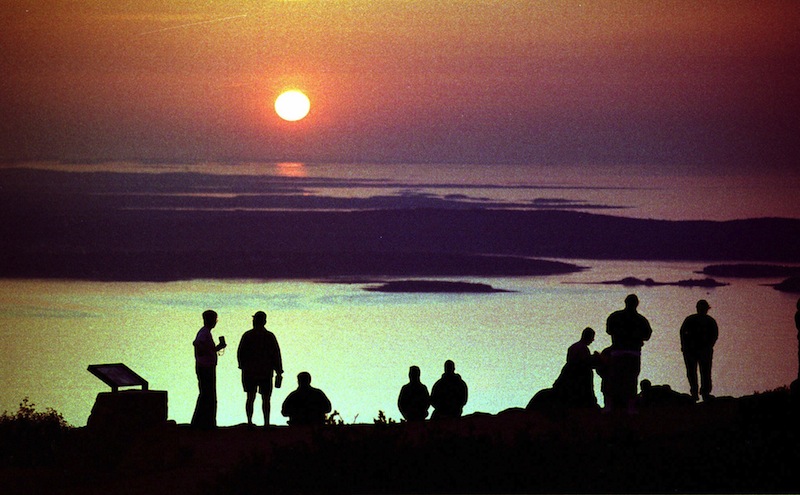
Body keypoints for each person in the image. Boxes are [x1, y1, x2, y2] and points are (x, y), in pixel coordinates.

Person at [605, 294, 652, 412]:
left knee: (614, 379)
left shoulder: (614, 316)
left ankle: (610, 406)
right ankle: (630, 406)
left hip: (617, 352)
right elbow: (647, 336)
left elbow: (609, 331)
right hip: (633, 353)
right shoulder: (641, 320)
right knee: (631, 380)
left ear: (625, 302)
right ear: (637, 304)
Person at [237, 311, 284, 427]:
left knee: (250, 397)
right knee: (265, 398)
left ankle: (249, 421)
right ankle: (266, 423)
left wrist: (242, 366)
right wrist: (278, 371)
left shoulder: (247, 335)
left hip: (250, 372)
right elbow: (276, 354)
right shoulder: (269, 336)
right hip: (265, 372)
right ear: (264, 321)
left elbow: (240, 353)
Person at [191, 309, 227, 429]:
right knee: (208, 394)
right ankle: (204, 422)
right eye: (215, 319)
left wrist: (217, 348)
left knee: (207, 394)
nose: (216, 321)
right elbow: (197, 344)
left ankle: (204, 421)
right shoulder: (204, 333)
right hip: (205, 368)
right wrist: (206, 354)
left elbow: (204, 348)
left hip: (205, 367)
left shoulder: (205, 332)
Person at [680, 299, 719, 401]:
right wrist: (685, 346)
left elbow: (714, 336)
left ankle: (702, 393)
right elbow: (683, 333)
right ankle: (697, 393)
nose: (702, 310)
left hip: (700, 351)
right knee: (695, 372)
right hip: (693, 351)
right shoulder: (694, 320)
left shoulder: (708, 321)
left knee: (703, 372)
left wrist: (708, 346)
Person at [552, 327, 600, 408]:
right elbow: (584, 362)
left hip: (569, 373)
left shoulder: (575, 346)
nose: (592, 340)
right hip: (577, 376)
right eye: (592, 337)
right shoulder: (582, 348)